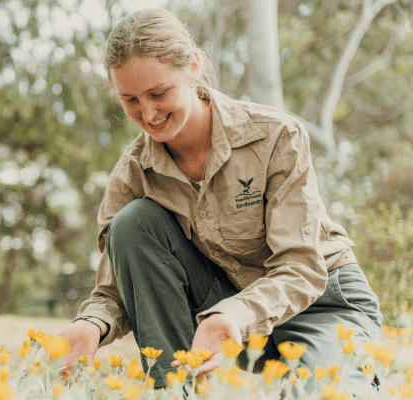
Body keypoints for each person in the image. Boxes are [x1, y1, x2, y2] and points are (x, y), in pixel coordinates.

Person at [56, 8, 383, 395]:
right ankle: (175, 389)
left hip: (320, 303)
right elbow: (114, 291)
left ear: (193, 66)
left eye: (158, 93)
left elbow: (300, 268)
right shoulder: (133, 173)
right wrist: (91, 325)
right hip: (222, 314)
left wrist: (230, 316)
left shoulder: (277, 136)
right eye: (130, 100)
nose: (148, 113)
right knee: (132, 223)